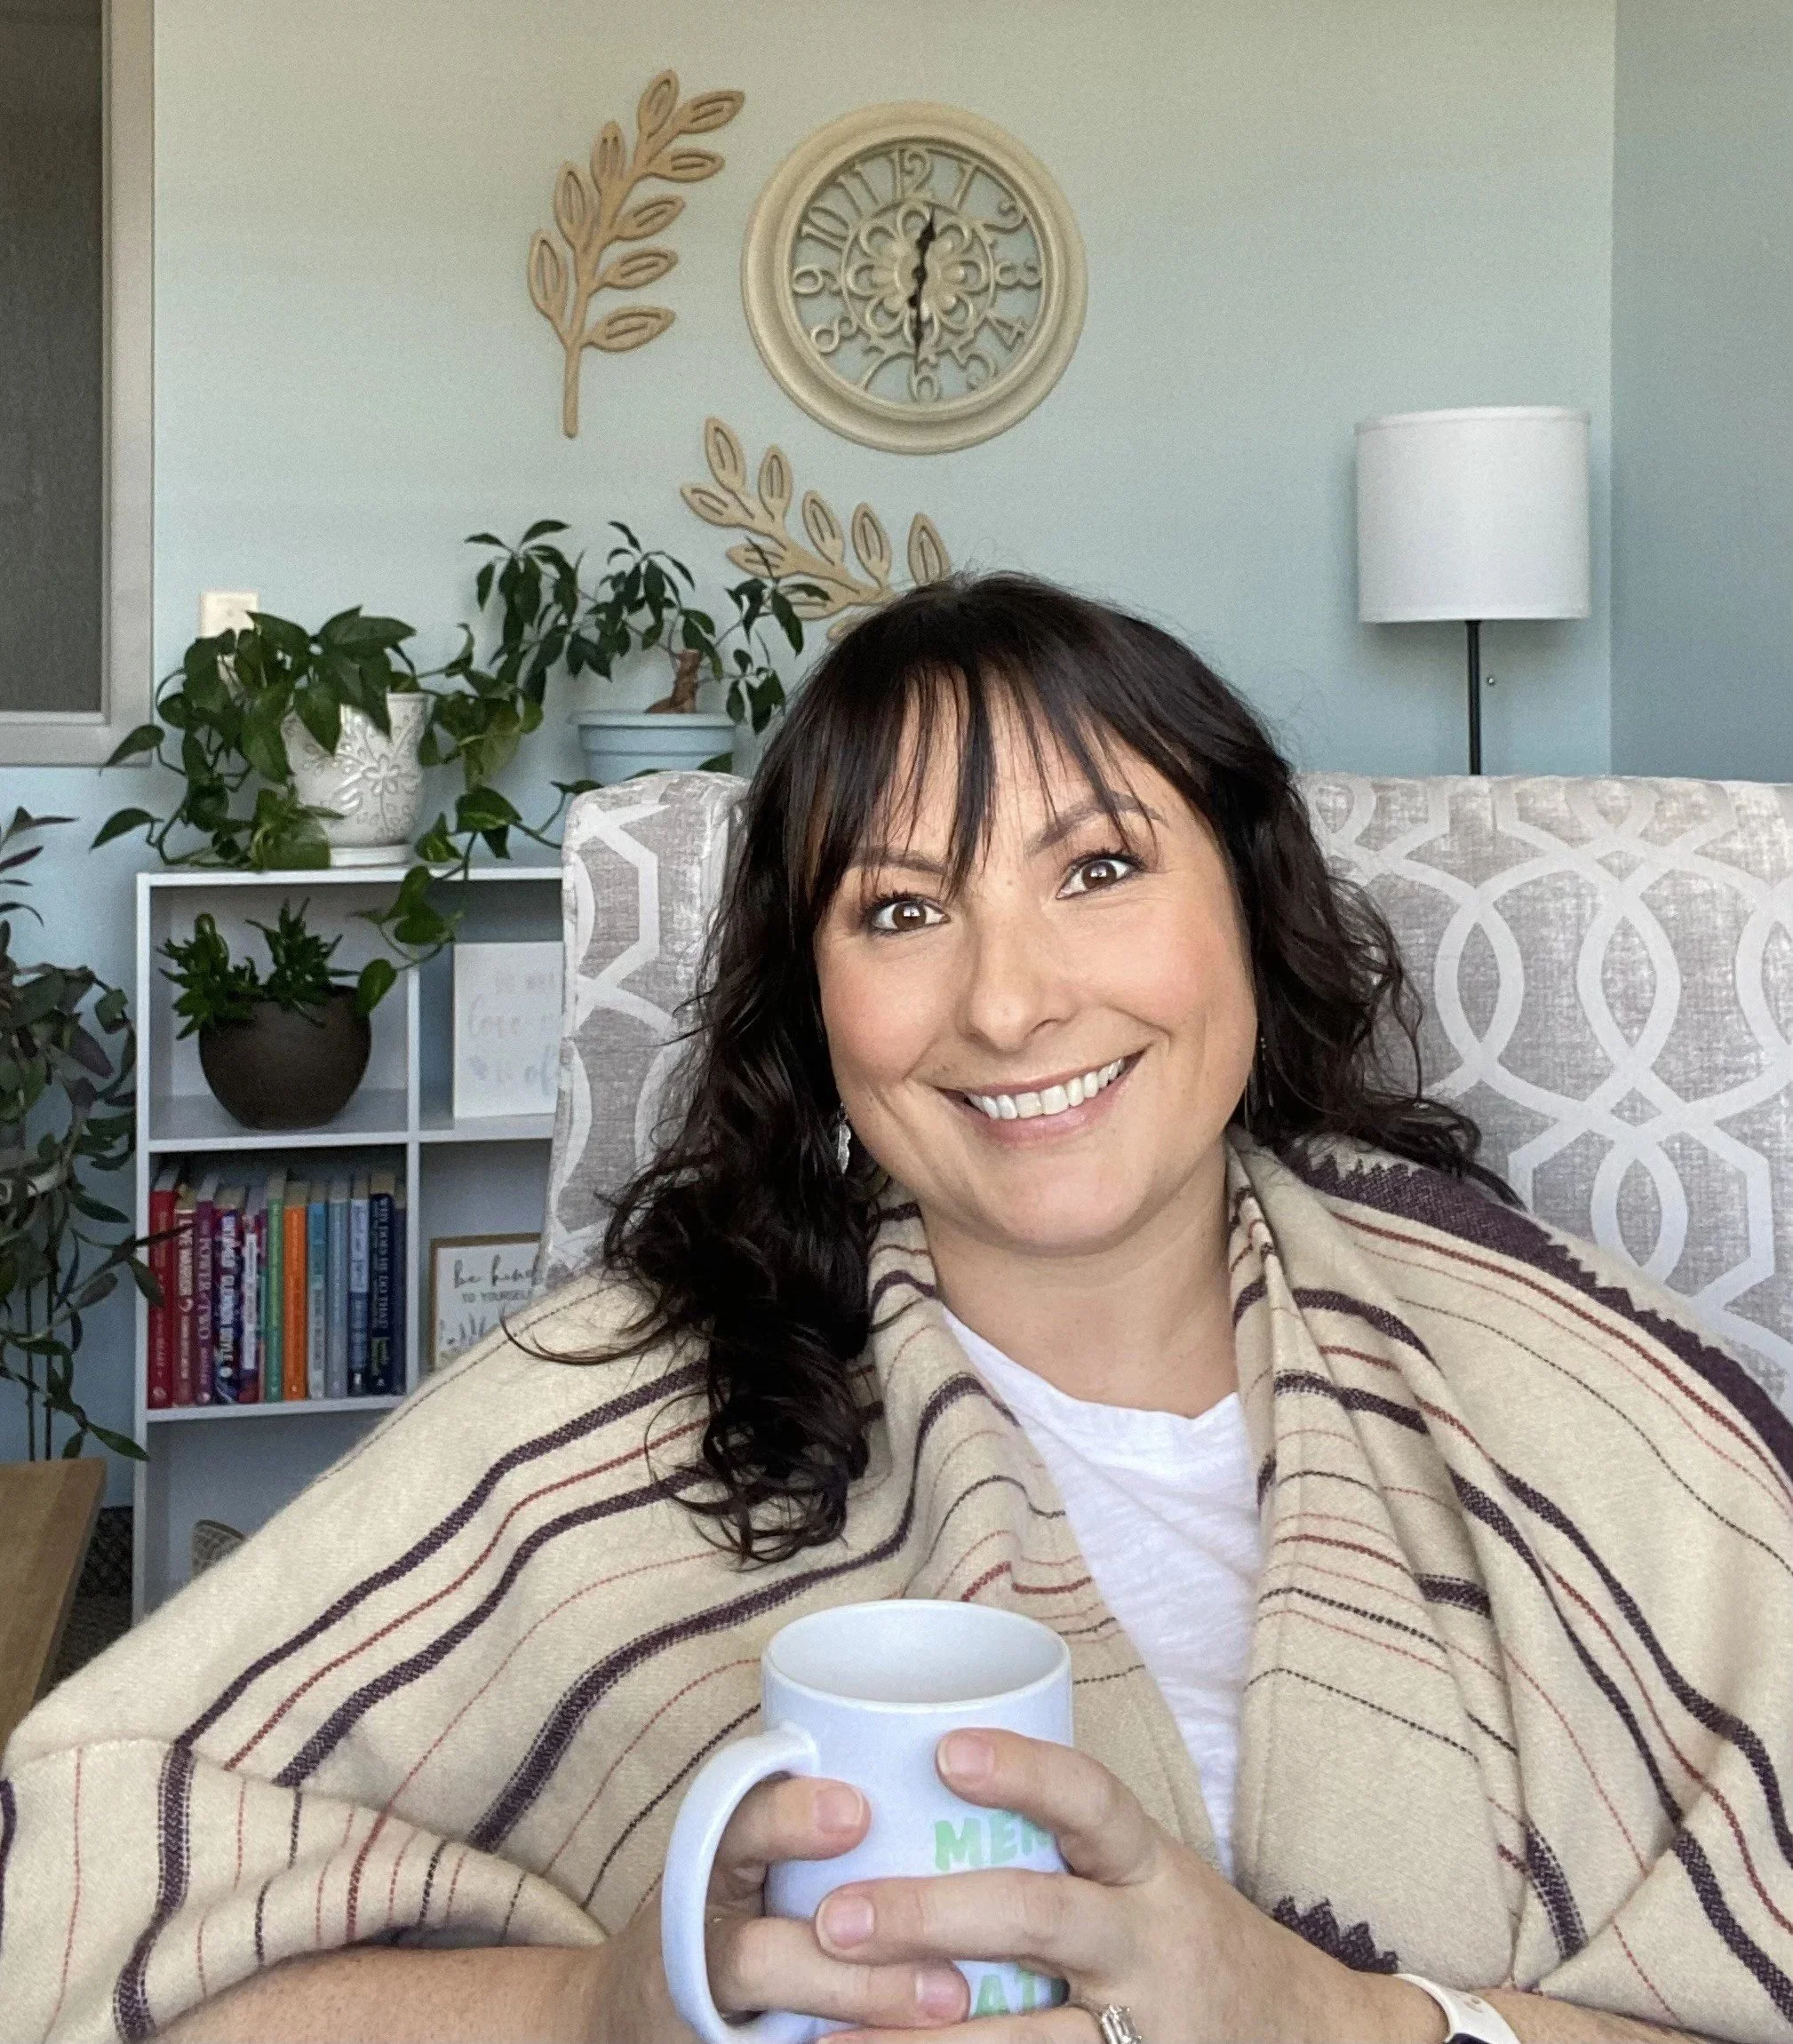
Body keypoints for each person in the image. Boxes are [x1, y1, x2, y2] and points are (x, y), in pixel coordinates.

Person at [3, 575, 1790, 2044]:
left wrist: (1345, 2023)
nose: (1007, 1005)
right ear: (814, 1009)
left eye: (1098, 869)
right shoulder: (598, 1409)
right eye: (903, 909)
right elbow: (69, 1898)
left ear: (1251, 907)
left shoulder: (1566, 1383)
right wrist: (603, 2006)